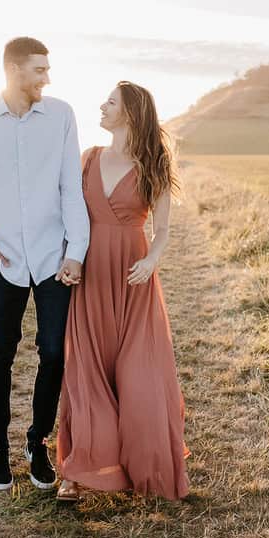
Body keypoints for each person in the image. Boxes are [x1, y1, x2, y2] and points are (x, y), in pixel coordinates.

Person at [0, 36, 90, 491]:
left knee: (54, 352)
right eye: (39, 70)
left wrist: (76, 250)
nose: (47, 78)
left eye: (47, 70)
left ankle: (38, 442)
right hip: (4, 257)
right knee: (1, 352)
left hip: (54, 257)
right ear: (14, 70)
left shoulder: (62, 116)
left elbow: (72, 187)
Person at [54, 81, 191, 501]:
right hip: (91, 273)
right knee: (86, 371)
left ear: (130, 113)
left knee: (138, 374)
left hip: (133, 277)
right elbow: (67, 214)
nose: (101, 106)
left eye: (110, 102)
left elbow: (163, 230)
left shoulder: (155, 163)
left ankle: (141, 467)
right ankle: (77, 472)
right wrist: (67, 257)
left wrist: (152, 260)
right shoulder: (88, 158)